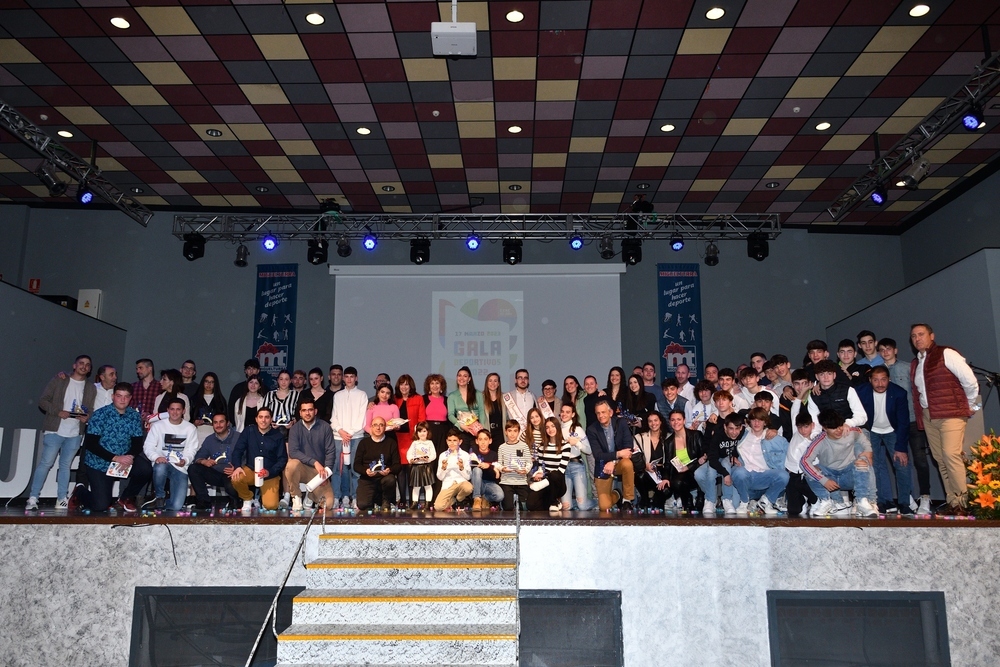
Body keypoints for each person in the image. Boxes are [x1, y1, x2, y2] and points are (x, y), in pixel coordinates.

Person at [909, 323, 980, 516]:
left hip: (950, 414)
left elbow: (970, 380)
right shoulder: (917, 362)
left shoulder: (946, 353)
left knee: (951, 455)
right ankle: (953, 501)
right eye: (914, 336)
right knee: (940, 459)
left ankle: (963, 503)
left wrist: (970, 405)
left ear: (932, 335)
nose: (917, 339)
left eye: (921, 334)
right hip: (929, 415)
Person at [27, 355, 97, 510]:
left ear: (90, 369)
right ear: (74, 365)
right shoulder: (60, 379)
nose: (84, 366)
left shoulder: (91, 388)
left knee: (65, 466)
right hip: (55, 430)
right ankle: (33, 497)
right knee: (46, 463)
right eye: (81, 363)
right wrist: (58, 412)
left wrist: (87, 417)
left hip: (75, 433)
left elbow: (90, 410)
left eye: (87, 365)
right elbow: (43, 401)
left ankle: (61, 498)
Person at [76, 382, 152, 513]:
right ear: (112, 397)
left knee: (145, 469)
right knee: (100, 505)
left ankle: (126, 498)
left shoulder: (134, 416)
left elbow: (137, 442)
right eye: (119, 396)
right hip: (99, 463)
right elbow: (91, 444)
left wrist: (129, 457)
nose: (122, 400)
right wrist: (116, 458)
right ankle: (79, 492)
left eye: (126, 396)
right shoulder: (100, 415)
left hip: (124, 459)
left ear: (130, 398)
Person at [879, 337, 934, 515]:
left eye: (889, 349)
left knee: (920, 460)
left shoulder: (908, 368)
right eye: (882, 349)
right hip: (892, 426)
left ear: (895, 350)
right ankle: (907, 497)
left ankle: (925, 496)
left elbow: (918, 392)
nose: (885, 352)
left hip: (911, 421)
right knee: (901, 462)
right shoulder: (876, 372)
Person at [856, 365, 913, 515]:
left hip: (892, 431)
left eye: (883, 380)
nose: (880, 384)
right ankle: (881, 501)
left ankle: (904, 503)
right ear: (870, 380)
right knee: (875, 465)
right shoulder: (861, 392)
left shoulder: (899, 393)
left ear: (889, 379)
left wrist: (901, 448)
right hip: (872, 430)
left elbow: (903, 422)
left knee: (902, 464)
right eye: (876, 380)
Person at [801, 409, 878, 518]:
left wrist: (868, 450)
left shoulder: (849, 431)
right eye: (833, 428)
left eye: (840, 426)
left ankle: (862, 501)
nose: (838, 430)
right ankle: (826, 501)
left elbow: (861, 434)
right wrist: (824, 480)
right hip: (830, 476)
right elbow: (804, 461)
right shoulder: (820, 440)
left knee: (862, 462)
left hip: (848, 474)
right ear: (824, 428)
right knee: (810, 471)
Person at [143, 397, 199, 511]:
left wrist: (185, 460)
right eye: (172, 409)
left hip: (180, 467)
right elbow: (148, 446)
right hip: (162, 462)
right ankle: (159, 497)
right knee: (160, 469)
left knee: (176, 506)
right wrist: (156, 457)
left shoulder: (190, 428)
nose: (175, 412)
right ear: (168, 410)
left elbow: (192, 449)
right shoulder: (158, 426)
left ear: (183, 411)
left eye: (178, 409)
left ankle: (165, 504)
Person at [731, 408, 789, 515]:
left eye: (760, 420)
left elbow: (788, 455)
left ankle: (766, 501)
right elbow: (725, 435)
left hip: (764, 476)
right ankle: (744, 502)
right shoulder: (742, 434)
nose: (757, 423)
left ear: (765, 422)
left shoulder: (776, 439)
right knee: (738, 472)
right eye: (754, 420)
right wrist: (732, 457)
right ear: (749, 422)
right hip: (746, 475)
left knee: (784, 475)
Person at [230, 407, 287, 512]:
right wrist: (237, 467)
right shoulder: (249, 431)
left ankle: (263, 498)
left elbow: (282, 459)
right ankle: (248, 498)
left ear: (271, 419)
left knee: (271, 506)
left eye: (266, 417)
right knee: (236, 478)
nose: (263, 420)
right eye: (260, 417)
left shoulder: (278, 436)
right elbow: (238, 450)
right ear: (256, 419)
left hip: (269, 474)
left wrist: (269, 472)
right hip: (251, 470)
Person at [285, 398, 337, 511]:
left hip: (319, 472)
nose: (307, 413)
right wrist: (314, 462)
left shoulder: (325, 427)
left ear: (315, 411)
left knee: (328, 505)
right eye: (304, 410)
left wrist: (326, 474)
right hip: (301, 468)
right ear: (300, 413)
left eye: (310, 410)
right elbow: (293, 452)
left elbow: (330, 452)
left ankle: (310, 496)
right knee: (291, 465)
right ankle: (296, 497)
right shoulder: (295, 429)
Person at [586, 399, 634, 511]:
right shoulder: (592, 430)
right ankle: (617, 494)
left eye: (603, 412)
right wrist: (617, 454)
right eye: (598, 413)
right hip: (603, 467)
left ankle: (627, 500)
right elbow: (598, 455)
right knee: (604, 507)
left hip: (618, 463)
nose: (601, 415)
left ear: (610, 413)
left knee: (627, 464)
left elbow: (628, 447)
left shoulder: (621, 423)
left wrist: (613, 461)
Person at [331, 366, 368, 509]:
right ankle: (338, 496)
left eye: (352, 377)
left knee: (355, 468)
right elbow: (334, 418)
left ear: (356, 378)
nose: (349, 379)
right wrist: (340, 431)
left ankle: (355, 497)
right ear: (343, 378)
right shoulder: (337, 395)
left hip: (355, 437)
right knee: (338, 469)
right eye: (346, 377)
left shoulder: (362, 395)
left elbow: (361, 418)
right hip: (339, 437)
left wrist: (350, 433)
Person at [187, 413, 240, 510]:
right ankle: (204, 501)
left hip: (233, 473)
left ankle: (236, 500)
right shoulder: (209, 439)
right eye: (215, 422)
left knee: (232, 483)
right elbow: (198, 457)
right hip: (215, 473)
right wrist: (203, 461)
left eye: (221, 422)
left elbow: (248, 457)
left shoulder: (238, 437)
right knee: (193, 469)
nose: (218, 425)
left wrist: (237, 468)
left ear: (227, 423)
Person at [695, 413, 744, 515]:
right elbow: (712, 459)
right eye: (731, 429)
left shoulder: (743, 432)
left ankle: (726, 499)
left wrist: (734, 456)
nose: (734, 432)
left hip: (728, 461)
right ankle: (711, 499)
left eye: (737, 429)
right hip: (716, 460)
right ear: (725, 427)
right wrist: (725, 474)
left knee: (725, 463)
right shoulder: (717, 435)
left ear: (741, 428)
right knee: (700, 473)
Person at [353, 416, 401, 511]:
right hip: (367, 479)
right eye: (375, 425)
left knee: (390, 480)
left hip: (385, 478)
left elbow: (397, 465)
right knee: (363, 505)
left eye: (381, 425)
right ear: (371, 427)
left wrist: (389, 470)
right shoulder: (363, 443)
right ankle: (375, 499)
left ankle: (386, 500)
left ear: (385, 427)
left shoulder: (391, 443)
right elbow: (356, 465)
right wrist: (365, 471)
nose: (378, 428)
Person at [662, 409, 706, 513]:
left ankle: (701, 497)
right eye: (673, 420)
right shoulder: (668, 442)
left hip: (698, 470)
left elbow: (703, 458)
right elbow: (667, 464)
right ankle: (687, 500)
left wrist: (689, 467)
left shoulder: (696, 435)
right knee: (676, 482)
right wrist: (665, 478)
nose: (676, 422)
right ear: (669, 422)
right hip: (682, 474)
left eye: (679, 419)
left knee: (700, 473)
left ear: (684, 421)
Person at [394, 374, 426, 507]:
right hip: (397, 438)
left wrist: (419, 437)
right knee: (401, 470)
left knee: (412, 470)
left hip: (412, 439)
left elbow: (422, 419)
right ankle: (402, 499)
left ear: (411, 385)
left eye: (407, 384)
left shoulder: (418, 398)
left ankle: (414, 500)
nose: (404, 387)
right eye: (402, 384)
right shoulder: (394, 399)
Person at [528, 417, 571, 511]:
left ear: (558, 427)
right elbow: (540, 467)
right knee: (530, 504)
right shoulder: (541, 447)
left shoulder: (566, 446)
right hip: (545, 481)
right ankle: (551, 503)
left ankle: (553, 501)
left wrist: (544, 479)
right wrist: (538, 474)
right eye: (547, 427)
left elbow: (561, 470)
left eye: (553, 426)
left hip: (558, 483)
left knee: (555, 474)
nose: (550, 429)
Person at [784, 411, 820, 517]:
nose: (803, 430)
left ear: (812, 425)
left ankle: (815, 500)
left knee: (798, 482)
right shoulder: (797, 433)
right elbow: (795, 408)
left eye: (806, 427)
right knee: (794, 510)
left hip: (807, 472)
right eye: (800, 427)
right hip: (792, 470)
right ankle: (803, 501)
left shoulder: (816, 438)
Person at [810, 360, 867, 427]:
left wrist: (848, 424)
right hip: (829, 432)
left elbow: (862, 416)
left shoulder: (848, 390)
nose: (826, 377)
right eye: (822, 374)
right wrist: (815, 435)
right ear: (817, 377)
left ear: (834, 375)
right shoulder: (814, 396)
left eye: (829, 373)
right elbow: (815, 422)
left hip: (852, 428)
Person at [560, 403, 593, 511]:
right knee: (566, 507)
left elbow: (588, 450)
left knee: (582, 506)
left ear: (573, 414)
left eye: (568, 412)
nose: (564, 414)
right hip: (563, 468)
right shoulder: (556, 428)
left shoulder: (577, 429)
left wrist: (577, 443)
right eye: (563, 411)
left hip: (577, 467)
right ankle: (573, 502)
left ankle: (599, 502)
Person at [634, 410, 669, 510]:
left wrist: (666, 477)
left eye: (656, 420)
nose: (653, 423)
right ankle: (644, 500)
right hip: (647, 472)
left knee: (666, 491)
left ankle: (657, 501)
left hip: (662, 473)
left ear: (661, 421)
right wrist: (645, 465)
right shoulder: (639, 438)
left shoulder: (669, 437)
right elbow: (635, 458)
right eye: (650, 421)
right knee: (639, 476)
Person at [447, 366, 486, 450]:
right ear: (457, 378)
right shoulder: (452, 396)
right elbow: (450, 415)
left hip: (476, 431)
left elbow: (481, 411)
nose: (462, 378)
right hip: (461, 431)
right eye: (459, 375)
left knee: (477, 458)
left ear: (469, 379)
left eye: (465, 376)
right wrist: (461, 426)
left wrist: (481, 430)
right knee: (461, 458)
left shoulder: (478, 394)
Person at [434, 429, 473, 510]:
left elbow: (468, 477)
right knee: (438, 507)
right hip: (448, 484)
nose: (452, 443)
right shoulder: (443, 455)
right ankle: (454, 501)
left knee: (468, 487)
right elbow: (440, 477)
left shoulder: (465, 455)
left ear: (460, 442)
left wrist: (461, 468)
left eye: (455, 440)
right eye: (450, 440)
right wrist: (443, 468)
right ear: (447, 441)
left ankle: (459, 498)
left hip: (461, 482)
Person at [498, 420, 530, 511]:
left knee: (524, 508)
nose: (512, 434)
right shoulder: (502, 447)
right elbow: (499, 464)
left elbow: (529, 462)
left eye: (515, 431)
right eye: (509, 431)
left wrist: (525, 470)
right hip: (506, 482)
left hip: (521, 481)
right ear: (505, 432)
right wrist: (502, 469)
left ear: (519, 432)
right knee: (508, 508)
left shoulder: (524, 446)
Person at [406, 421, 437, 508]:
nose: (422, 433)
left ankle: (428, 503)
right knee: (416, 486)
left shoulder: (429, 443)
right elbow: (409, 453)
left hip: (426, 467)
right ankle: (414, 502)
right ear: (417, 433)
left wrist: (428, 459)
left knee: (428, 486)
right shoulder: (415, 443)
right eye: (420, 431)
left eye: (424, 431)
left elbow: (434, 454)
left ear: (428, 432)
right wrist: (411, 460)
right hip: (416, 466)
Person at [470, 430, 503, 510]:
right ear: (477, 441)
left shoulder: (494, 454)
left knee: (499, 496)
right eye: (480, 439)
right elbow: (472, 468)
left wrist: (489, 466)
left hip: (489, 483)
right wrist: (492, 467)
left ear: (490, 441)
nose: (483, 442)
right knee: (477, 470)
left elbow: (496, 476)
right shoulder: (473, 453)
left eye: (485, 439)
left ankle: (485, 498)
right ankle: (477, 499)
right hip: (477, 482)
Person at [227, 358, 267, 423]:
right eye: (249, 368)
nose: (251, 371)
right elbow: (231, 407)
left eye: (254, 368)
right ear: (245, 371)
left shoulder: (265, 389)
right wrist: (235, 423)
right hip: (240, 428)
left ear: (258, 371)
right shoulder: (237, 388)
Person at [191, 372, 227, 442]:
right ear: (202, 383)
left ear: (215, 384)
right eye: (206, 381)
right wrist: (194, 422)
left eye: (212, 382)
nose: (209, 384)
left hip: (215, 433)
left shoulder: (220, 400)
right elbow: (189, 417)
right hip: (198, 433)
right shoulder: (194, 399)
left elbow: (225, 418)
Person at [482, 372, 506, 449]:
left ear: (498, 383)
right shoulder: (480, 397)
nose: (493, 383)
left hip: (500, 434)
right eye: (490, 380)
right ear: (486, 383)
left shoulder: (505, 398)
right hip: (486, 433)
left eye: (495, 381)